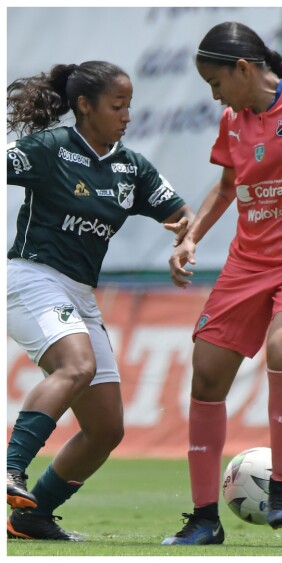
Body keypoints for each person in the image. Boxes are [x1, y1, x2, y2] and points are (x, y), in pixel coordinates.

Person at [6, 61, 191, 541]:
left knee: (106, 429)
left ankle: (31, 517)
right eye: (117, 105)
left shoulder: (132, 167)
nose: (127, 115)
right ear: (84, 106)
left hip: (80, 294)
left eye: (129, 105)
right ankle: (10, 469)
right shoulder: (49, 149)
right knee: (77, 366)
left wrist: (186, 242)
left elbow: (181, 214)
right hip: (32, 277)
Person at [161, 21, 282, 545]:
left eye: (216, 83)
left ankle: (281, 487)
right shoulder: (233, 120)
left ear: (242, 68)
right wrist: (191, 237)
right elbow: (228, 185)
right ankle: (204, 520)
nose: (214, 96)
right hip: (246, 264)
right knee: (207, 373)